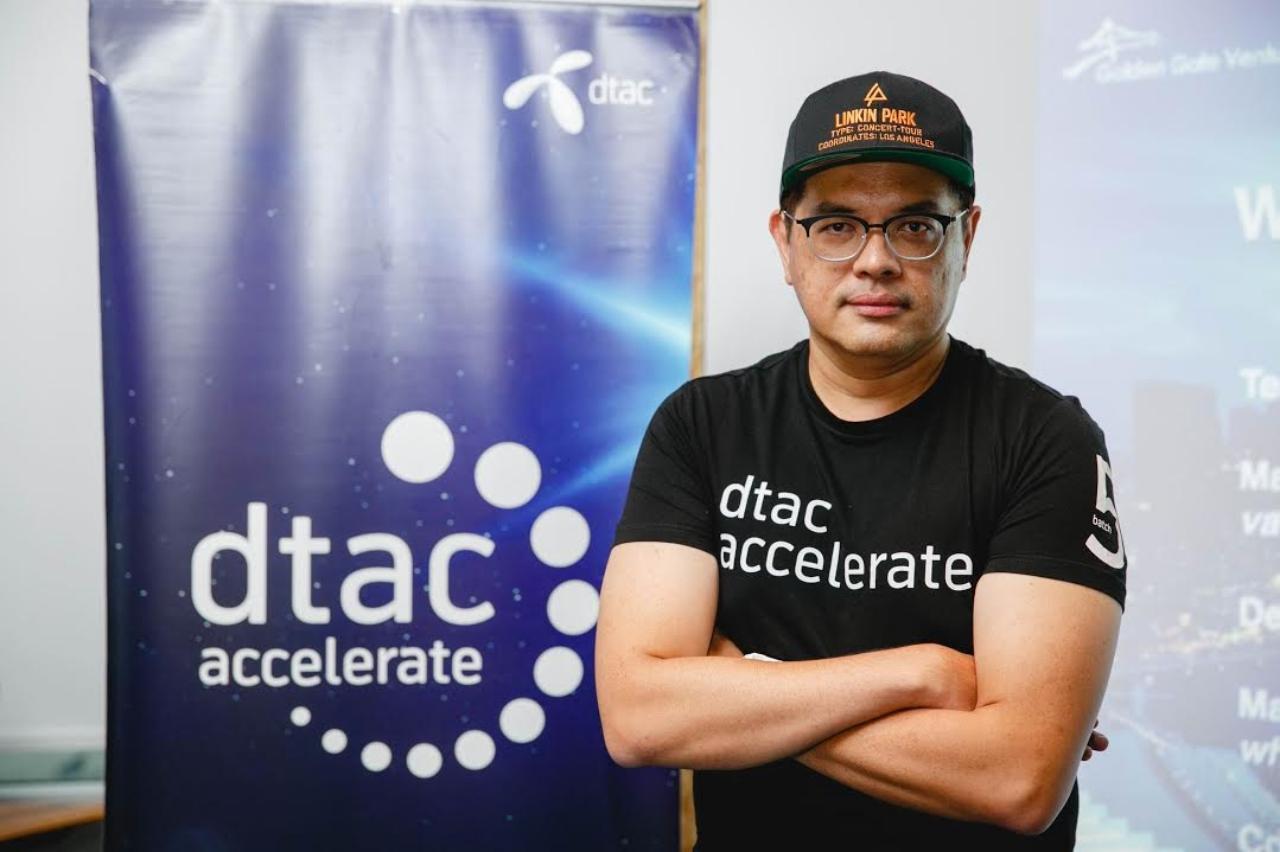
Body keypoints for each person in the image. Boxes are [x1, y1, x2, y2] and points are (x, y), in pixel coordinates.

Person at [593, 70, 1127, 850]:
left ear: (967, 239)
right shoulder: (701, 427)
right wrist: (925, 674)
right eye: (837, 224)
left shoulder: (1045, 439)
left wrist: (744, 684)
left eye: (915, 225)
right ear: (786, 241)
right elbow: (638, 718)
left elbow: (1019, 778)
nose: (875, 260)